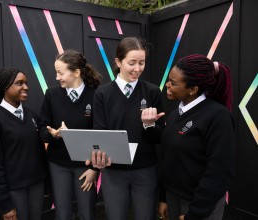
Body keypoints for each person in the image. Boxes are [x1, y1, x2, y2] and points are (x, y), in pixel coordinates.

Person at [91, 37, 165, 220]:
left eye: (142, 63)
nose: (137, 69)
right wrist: (98, 158)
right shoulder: (103, 93)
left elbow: (160, 136)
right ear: (118, 61)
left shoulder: (153, 91)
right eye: (132, 63)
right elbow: (99, 132)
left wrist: (149, 125)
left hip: (145, 170)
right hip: (113, 171)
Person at [158, 54, 235, 220]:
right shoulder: (173, 115)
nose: (167, 85)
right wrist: (164, 197)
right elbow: (169, 159)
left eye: (173, 83)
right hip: (174, 198)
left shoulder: (218, 117)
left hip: (200, 206)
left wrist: (195, 213)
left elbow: (219, 173)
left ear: (193, 89)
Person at [38, 49, 102, 220]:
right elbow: (42, 130)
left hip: (86, 165)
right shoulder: (51, 94)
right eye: (56, 72)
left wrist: (94, 168)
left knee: (87, 212)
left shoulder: (96, 95)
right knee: (62, 212)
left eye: (60, 72)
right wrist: (53, 134)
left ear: (76, 72)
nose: (57, 77)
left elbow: (102, 134)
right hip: (58, 164)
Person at [0, 67, 47, 220]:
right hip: (14, 191)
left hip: (36, 186)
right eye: (19, 83)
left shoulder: (32, 114)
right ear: (5, 87)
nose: (26, 87)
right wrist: (5, 205)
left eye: (26, 83)